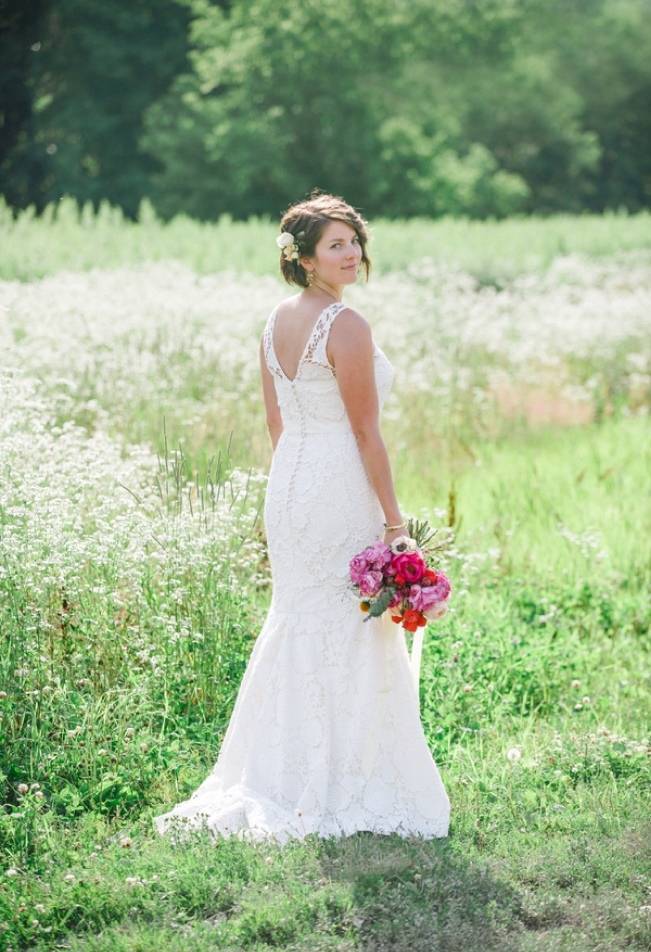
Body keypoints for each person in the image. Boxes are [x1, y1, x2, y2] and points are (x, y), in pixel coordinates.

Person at [153, 189, 450, 844]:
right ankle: (339, 777)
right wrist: (395, 524)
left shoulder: (275, 320)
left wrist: (293, 481)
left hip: (289, 481)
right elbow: (366, 433)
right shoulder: (347, 327)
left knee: (302, 618)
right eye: (335, 245)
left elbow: (275, 422)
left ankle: (281, 772)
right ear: (305, 258)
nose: (351, 254)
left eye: (354, 242)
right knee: (346, 623)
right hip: (338, 481)